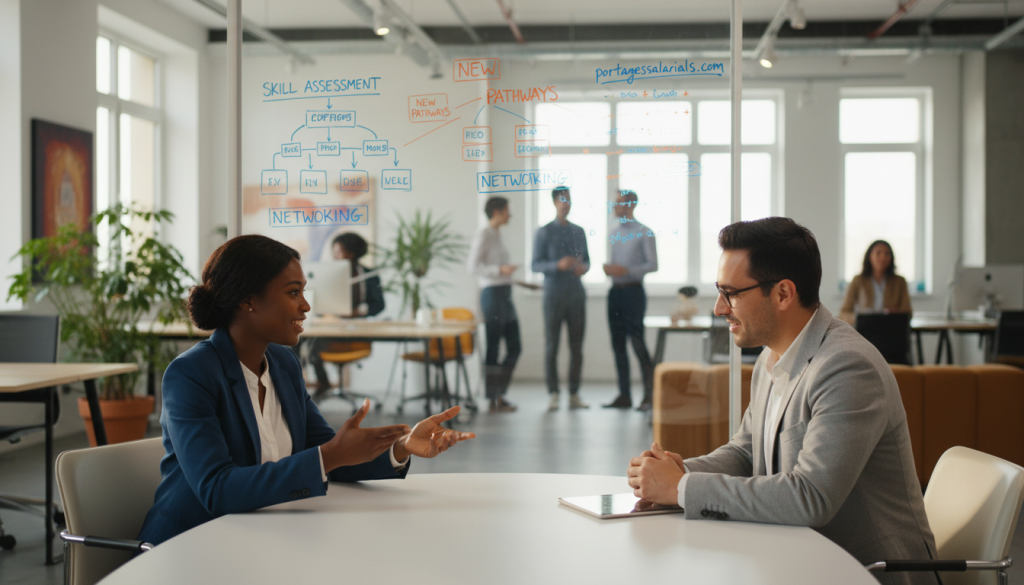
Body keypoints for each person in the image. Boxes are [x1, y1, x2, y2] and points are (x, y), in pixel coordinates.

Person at [627, 218, 938, 584]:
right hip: (800, 560)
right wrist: (679, 473)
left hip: (868, 573)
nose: (719, 308)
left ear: (783, 294)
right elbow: (746, 454)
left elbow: (810, 496)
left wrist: (680, 489)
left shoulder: (847, 367)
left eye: (731, 293)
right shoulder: (772, 357)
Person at [137, 235, 474, 546]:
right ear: (249, 300)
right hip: (189, 546)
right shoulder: (191, 375)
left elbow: (329, 456)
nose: (306, 306)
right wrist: (331, 455)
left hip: (261, 539)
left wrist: (400, 448)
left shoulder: (283, 364)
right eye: (293, 292)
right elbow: (217, 489)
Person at [532, 187, 590, 411]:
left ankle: (574, 394)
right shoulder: (544, 232)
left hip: (576, 295)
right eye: (562, 200)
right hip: (553, 296)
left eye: (569, 200)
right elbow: (535, 264)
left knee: (577, 347)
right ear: (555, 202)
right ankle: (553, 394)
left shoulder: (579, 231)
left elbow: (588, 262)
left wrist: (582, 267)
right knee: (552, 346)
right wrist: (557, 265)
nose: (566, 204)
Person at [602, 190, 658, 411]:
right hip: (614, 292)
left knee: (637, 343)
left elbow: (653, 265)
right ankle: (624, 395)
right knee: (618, 345)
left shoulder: (645, 232)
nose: (615, 207)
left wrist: (626, 270)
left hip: (634, 293)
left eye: (619, 204)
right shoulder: (613, 231)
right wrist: (611, 270)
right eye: (615, 204)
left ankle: (648, 395)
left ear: (631, 205)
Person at [310, 232, 385, 395]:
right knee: (303, 344)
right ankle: (320, 382)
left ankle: (322, 384)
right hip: (330, 328)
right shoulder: (326, 275)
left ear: (352, 253)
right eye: (333, 252)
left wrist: (358, 312)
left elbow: (379, 304)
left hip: (358, 331)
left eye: (338, 252)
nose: (334, 256)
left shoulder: (369, 275)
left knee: (310, 345)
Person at [467, 196, 521, 413]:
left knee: (515, 346)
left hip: (505, 293)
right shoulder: (484, 234)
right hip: (492, 294)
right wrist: (499, 270)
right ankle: (492, 398)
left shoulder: (498, 234)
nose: (510, 214)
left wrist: (506, 273)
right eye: (508, 210)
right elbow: (472, 267)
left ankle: (499, 393)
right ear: (497, 211)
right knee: (493, 346)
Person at [840, 239, 913, 325]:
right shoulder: (858, 280)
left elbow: (908, 312)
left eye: (887, 254)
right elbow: (844, 312)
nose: (883, 257)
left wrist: (894, 313)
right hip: (865, 329)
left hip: (891, 329)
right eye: (878, 253)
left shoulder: (899, 281)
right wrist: (859, 317)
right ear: (869, 256)